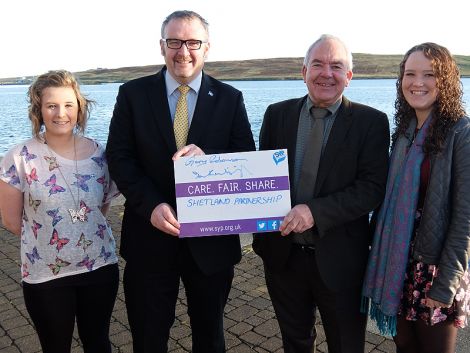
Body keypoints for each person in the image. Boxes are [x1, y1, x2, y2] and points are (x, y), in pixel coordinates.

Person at [105, 10, 255, 353]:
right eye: (174, 42)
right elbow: (120, 157)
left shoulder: (231, 98)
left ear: (206, 48)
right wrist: (150, 205)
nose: (183, 51)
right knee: (148, 338)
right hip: (149, 239)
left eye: (192, 42)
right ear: (162, 46)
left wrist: (210, 158)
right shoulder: (132, 94)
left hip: (212, 244)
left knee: (210, 337)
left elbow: (244, 157)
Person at [252, 34, 390, 353]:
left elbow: (372, 188)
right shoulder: (276, 114)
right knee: (296, 342)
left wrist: (314, 212)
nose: (326, 73)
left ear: (349, 77)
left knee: (346, 345)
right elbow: (258, 177)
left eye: (336, 66)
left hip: (340, 261)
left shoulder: (371, 122)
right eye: (317, 64)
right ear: (304, 72)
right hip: (282, 259)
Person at [0, 70, 120, 353]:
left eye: (68, 105)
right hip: (46, 275)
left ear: (79, 108)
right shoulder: (20, 157)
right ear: (39, 110)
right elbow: (11, 221)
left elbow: (100, 207)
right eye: (51, 105)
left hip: (100, 267)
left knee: (98, 343)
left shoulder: (100, 155)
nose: (60, 113)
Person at [362, 42, 470, 353]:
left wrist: (446, 283)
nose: (417, 82)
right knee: (405, 345)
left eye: (429, 74)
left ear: (446, 80)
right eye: (410, 74)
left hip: (436, 268)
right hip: (399, 264)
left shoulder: (461, 133)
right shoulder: (406, 131)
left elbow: (465, 219)